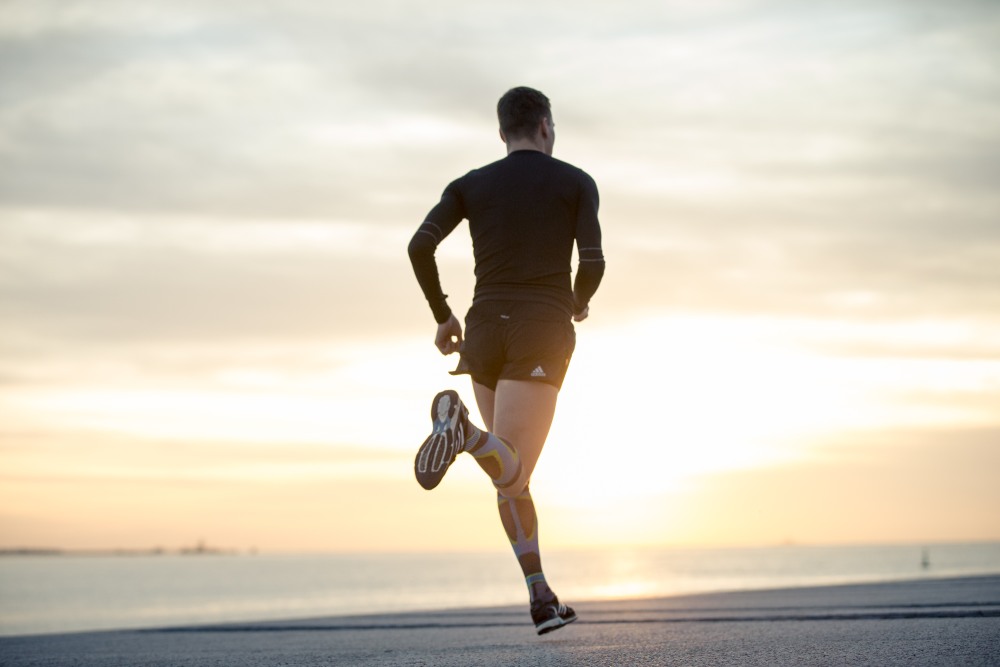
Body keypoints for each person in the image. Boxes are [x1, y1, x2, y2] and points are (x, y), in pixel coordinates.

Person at [407, 86, 605, 635]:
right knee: (513, 468)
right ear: (545, 126)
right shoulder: (575, 181)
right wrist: (579, 301)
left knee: (507, 476)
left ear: (502, 133)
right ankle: (466, 436)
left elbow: (419, 247)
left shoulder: (469, 185)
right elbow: (593, 261)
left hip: (482, 329)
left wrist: (443, 316)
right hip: (541, 326)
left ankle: (540, 597)